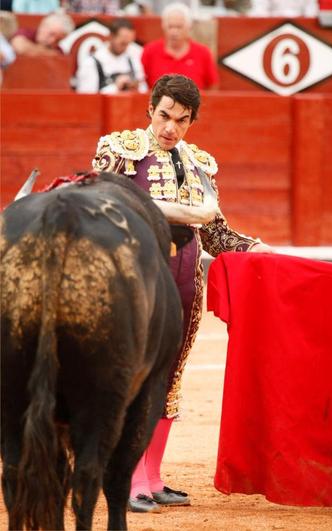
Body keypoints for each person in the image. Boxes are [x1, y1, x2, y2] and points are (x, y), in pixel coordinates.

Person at [92, 73, 272, 512]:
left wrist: (257, 249)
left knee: (171, 376)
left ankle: (152, 477)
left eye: (181, 120)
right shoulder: (120, 151)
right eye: (164, 116)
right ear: (151, 109)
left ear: (192, 121)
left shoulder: (200, 166)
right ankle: (127, 479)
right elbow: (98, 203)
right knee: (136, 372)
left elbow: (216, 234)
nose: (170, 127)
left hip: (187, 279)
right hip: (138, 276)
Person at [141, 2, 219, 90]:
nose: (174, 32)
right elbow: (141, 83)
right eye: (170, 27)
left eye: (179, 27)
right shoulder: (150, 50)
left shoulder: (203, 52)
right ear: (163, 26)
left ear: (189, 27)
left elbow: (212, 86)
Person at [75, 18, 147, 94]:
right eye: (122, 43)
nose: (125, 47)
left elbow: (143, 89)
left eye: (128, 43)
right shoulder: (92, 63)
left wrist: (134, 86)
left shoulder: (133, 60)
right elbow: (87, 97)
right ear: (111, 37)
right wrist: (116, 87)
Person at [10, 11, 75, 56]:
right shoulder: (26, 32)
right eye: (51, 34)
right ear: (43, 26)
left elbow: (59, 56)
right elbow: (20, 48)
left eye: (58, 40)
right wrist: (48, 53)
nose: (52, 40)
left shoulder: (58, 49)